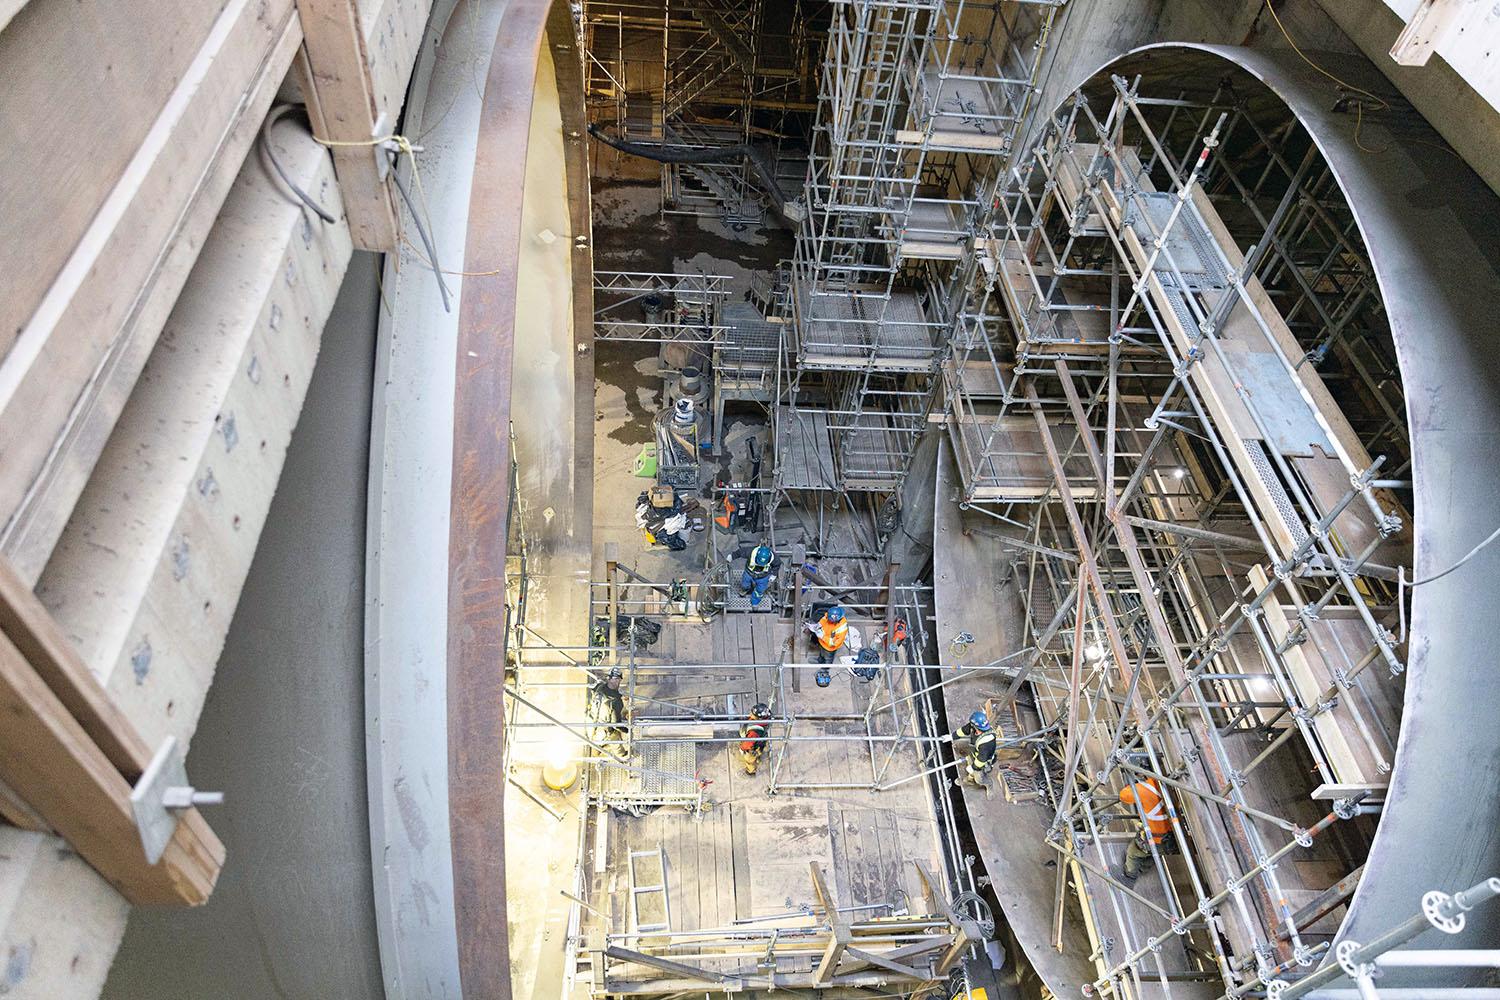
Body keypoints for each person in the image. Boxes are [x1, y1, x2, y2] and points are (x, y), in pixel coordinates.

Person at [1118, 777, 1174, 884]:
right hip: (1171, 840)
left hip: (1155, 840)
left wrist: (1133, 785)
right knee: (1154, 854)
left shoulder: (1145, 789)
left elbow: (1123, 795)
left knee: (1133, 852)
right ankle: (1143, 868)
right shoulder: (1170, 787)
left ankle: (1129, 877)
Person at [635, 485, 690, 550]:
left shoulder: (655, 512)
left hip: (660, 514)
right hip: (661, 514)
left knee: (666, 527)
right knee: (668, 530)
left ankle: (659, 538)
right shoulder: (660, 512)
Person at [589, 666, 629, 749]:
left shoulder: (599, 687)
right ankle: (622, 756)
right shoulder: (616, 701)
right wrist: (629, 730)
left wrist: (620, 695)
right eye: (618, 679)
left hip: (591, 724)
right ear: (619, 680)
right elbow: (616, 725)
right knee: (616, 741)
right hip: (602, 732)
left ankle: (597, 747)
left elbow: (606, 692)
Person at [956, 710, 997, 785]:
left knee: (979, 779)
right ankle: (970, 777)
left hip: (983, 762)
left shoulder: (986, 742)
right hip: (976, 752)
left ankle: (988, 784)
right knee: (959, 743)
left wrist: (973, 768)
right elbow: (964, 730)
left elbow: (982, 759)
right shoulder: (976, 727)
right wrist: (951, 736)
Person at [739, 702, 772, 775]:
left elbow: (748, 744)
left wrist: (742, 748)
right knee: (759, 752)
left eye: (752, 714)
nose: (750, 714)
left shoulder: (754, 732)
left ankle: (750, 772)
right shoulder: (766, 719)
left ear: (758, 718)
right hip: (761, 742)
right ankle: (758, 757)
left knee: (749, 760)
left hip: (753, 747)